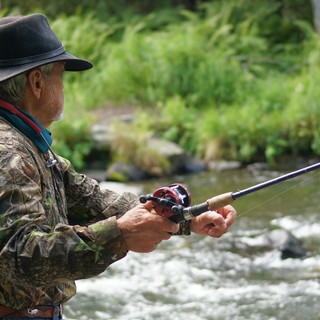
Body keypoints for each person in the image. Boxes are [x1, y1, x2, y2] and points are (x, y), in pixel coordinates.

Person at [0, 13, 237, 320]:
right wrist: (121, 234)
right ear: (36, 82)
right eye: (60, 74)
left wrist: (186, 218)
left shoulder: (27, 142)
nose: (63, 86)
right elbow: (21, 256)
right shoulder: (8, 151)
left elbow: (92, 200)